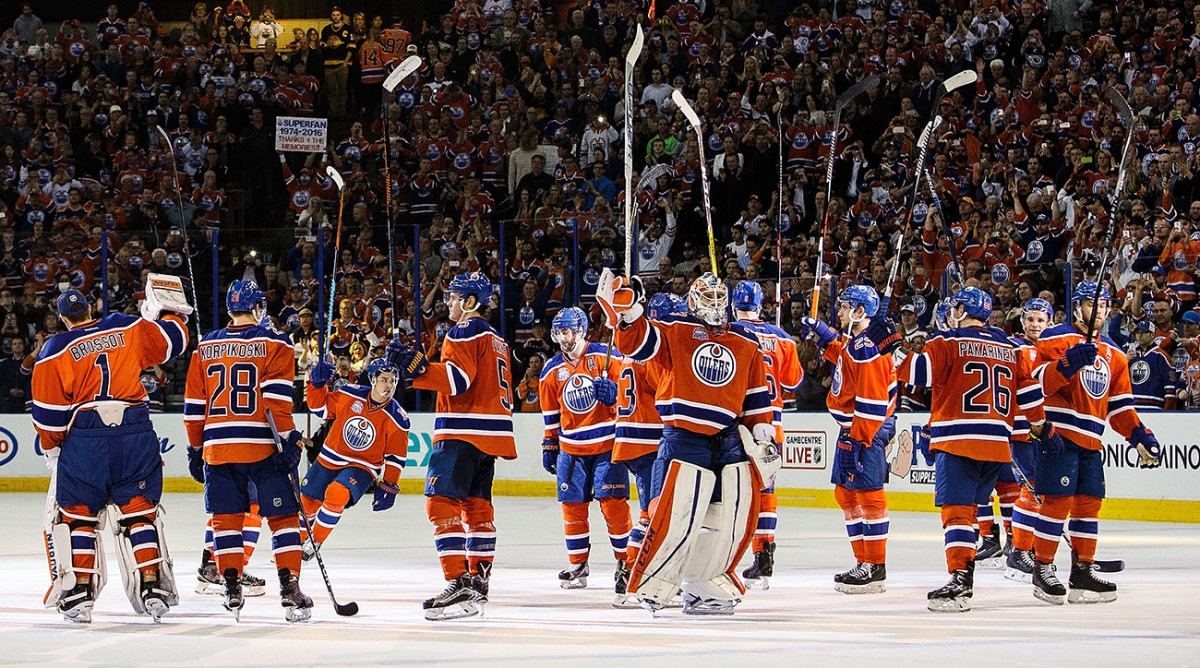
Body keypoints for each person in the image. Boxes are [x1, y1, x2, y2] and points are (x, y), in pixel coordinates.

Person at [601, 271, 778, 615]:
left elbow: (756, 393)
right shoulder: (676, 329)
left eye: (719, 298)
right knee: (675, 514)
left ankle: (702, 585)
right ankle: (656, 584)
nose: (714, 306)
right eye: (707, 299)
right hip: (684, 437)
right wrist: (631, 313)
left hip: (729, 440)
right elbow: (637, 344)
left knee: (725, 518)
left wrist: (761, 430)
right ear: (693, 303)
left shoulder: (745, 340)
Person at [32, 284, 189, 623]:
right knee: (139, 513)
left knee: (79, 517)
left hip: (86, 439)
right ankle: (152, 586)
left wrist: (53, 447)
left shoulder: (55, 348)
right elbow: (173, 341)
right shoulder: (124, 325)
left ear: (63, 318)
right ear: (90, 309)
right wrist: (168, 310)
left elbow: (48, 415)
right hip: (134, 431)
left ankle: (79, 593)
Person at [899, 286, 1058, 612]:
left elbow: (915, 373)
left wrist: (892, 346)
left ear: (961, 310)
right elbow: (1029, 394)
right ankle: (983, 564)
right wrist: (1043, 428)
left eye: (955, 307)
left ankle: (960, 579)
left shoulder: (947, 341)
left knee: (957, 513)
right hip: (998, 445)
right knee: (971, 510)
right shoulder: (1009, 346)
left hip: (958, 440)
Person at [386, 272, 515, 621]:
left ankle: (458, 583)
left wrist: (418, 368)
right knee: (477, 507)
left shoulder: (465, 329)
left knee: (440, 502)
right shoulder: (497, 338)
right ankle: (478, 581)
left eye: (454, 296)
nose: (448, 303)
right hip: (490, 433)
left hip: (463, 429)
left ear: (471, 301)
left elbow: (457, 381)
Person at [183, 280, 311, 622]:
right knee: (284, 518)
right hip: (262, 447)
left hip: (217, 448)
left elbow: (193, 407)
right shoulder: (274, 341)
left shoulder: (204, 346)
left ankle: (231, 587)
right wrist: (290, 440)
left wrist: (195, 448)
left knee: (226, 519)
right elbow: (276, 401)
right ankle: (290, 588)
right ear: (257, 308)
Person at [1030, 282, 1161, 604]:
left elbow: (1120, 406)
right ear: (1077, 308)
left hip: (1091, 440)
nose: (1098, 311)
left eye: (1103, 305)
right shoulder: (1055, 337)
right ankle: (1042, 568)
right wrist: (1067, 364)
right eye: (1091, 304)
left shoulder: (1115, 353)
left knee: (1089, 504)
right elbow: (1036, 385)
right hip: (1058, 435)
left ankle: (1083, 571)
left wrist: (1138, 434)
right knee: (1057, 502)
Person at [800, 285, 897, 594]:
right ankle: (863, 561)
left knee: (870, 494)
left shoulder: (868, 348)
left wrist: (856, 440)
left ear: (859, 311)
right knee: (845, 494)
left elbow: (873, 403)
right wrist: (824, 336)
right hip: (853, 429)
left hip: (866, 429)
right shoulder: (857, 342)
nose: (839, 311)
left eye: (844, 306)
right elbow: (844, 356)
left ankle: (875, 566)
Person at [538, 306, 630, 595]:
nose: (562, 338)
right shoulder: (551, 370)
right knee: (572, 506)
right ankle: (578, 564)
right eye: (558, 333)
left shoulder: (607, 356)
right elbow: (551, 414)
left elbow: (633, 391)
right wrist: (549, 442)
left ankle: (626, 563)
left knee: (613, 504)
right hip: (571, 449)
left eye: (566, 332)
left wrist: (616, 394)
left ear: (580, 331)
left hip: (607, 445)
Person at [730, 281, 802, 591]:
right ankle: (764, 554)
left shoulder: (730, 331)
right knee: (766, 490)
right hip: (773, 425)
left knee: (733, 492)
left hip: (740, 422)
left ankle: (726, 560)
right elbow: (793, 382)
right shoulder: (782, 337)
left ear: (734, 305)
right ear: (762, 306)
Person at [299, 357, 409, 555]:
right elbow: (320, 409)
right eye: (384, 379)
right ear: (373, 379)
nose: (389, 385)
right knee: (307, 503)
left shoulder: (398, 418)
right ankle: (293, 546)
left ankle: (315, 541)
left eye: (393, 380)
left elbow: (396, 457)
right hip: (330, 457)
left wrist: (390, 483)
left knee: (337, 493)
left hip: (363, 466)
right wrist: (316, 385)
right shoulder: (349, 394)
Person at [611, 293, 679, 607]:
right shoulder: (654, 351)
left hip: (630, 438)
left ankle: (632, 577)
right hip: (650, 439)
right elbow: (663, 391)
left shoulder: (634, 347)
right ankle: (632, 579)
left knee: (648, 513)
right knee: (652, 515)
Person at [1005, 298, 1054, 582]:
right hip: (1021, 429)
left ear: (1050, 323)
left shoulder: (1051, 350)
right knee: (1032, 489)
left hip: (1045, 429)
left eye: (1040, 320)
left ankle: (1028, 547)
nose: (1035, 325)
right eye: (1030, 319)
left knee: (1041, 491)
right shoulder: (1014, 348)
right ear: (1022, 321)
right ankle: (1019, 552)